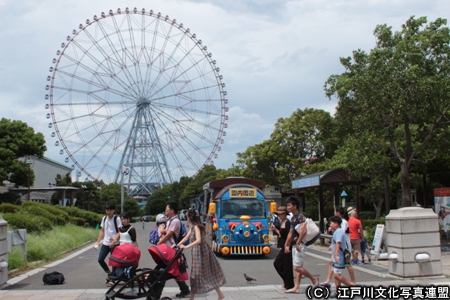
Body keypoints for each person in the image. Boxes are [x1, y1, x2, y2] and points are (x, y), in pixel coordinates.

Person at [175, 209, 226, 300]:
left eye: (187, 217)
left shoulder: (196, 227)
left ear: (190, 218)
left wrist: (186, 247)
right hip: (199, 253)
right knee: (200, 274)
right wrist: (177, 245)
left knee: (196, 274)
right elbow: (186, 237)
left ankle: (193, 298)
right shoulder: (194, 227)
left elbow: (198, 240)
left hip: (201, 253)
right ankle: (218, 295)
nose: (186, 219)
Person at [284, 196, 319, 294]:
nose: (288, 207)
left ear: (295, 206)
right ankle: (297, 287)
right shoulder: (293, 218)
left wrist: (299, 242)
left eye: (289, 205)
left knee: (296, 267)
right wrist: (286, 244)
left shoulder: (300, 217)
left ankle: (313, 279)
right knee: (298, 265)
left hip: (300, 244)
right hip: (295, 244)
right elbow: (291, 233)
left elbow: (304, 230)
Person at [157, 201, 191, 298]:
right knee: (173, 270)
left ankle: (157, 294)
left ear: (172, 210)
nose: (165, 210)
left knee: (163, 271)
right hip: (169, 250)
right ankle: (184, 289)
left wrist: (158, 243)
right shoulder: (170, 221)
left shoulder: (175, 221)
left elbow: (168, 235)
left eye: (167, 209)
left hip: (172, 250)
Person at [319, 206, 356, 287]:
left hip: (343, 249)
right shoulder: (338, 225)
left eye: (335, 211)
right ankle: (334, 286)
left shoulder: (343, 223)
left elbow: (339, 239)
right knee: (335, 269)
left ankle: (352, 283)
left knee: (345, 267)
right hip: (339, 249)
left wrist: (335, 252)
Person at [95, 201, 122, 284]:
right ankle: (109, 273)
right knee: (100, 259)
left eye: (110, 210)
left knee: (113, 261)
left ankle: (113, 278)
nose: (108, 212)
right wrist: (98, 242)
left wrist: (114, 241)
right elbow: (102, 230)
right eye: (107, 210)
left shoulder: (116, 219)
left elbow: (120, 232)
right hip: (106, 243)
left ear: (113, 210)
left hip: (115, 244)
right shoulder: (104, 218)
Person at [328, 215, 355, 297]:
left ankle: (351, 285)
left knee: (336, 275)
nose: (330, 225)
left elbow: (338, 243)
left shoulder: (339, 232)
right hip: (336, 256)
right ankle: (337, 292)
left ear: (336, 224)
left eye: (331, 223)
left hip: (339, 256)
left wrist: (335, 255)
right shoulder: (336, 232)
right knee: (336, 275)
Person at [271, 206, 294, 291]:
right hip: (283, 245)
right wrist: (275, 229)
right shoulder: (283, 222)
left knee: (284, 264)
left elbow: (290, 235)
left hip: (287, 246)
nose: (279, 216)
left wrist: (287, 245)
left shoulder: (288, 223)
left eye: (280, 214)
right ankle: (287, 282)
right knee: (280, 264)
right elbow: (281, 234)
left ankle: (289, 283)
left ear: (284, 214)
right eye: (278, 214)